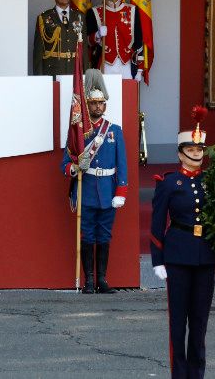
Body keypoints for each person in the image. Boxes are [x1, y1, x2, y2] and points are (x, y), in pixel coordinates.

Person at [150, 106, 215, 379]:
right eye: (191, 149)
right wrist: (158, 260)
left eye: (200, 149)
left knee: (200, 323)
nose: (197, 153)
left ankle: (196, 374)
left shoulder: (212, 181)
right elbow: (157, 222)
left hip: (205, 256)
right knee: (178, 323)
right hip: (177, 256)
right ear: (181, 153)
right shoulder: (168, 183)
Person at [61, 69, 127, 294]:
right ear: (87, 105)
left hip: (108, 191)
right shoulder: (78, 132)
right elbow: (64, 164)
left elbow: (123, 166)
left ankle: (103, 279)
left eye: (101, 103)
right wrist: (75, 167)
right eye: (93, 103)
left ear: (105, 106)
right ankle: (89, 280)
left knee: (105, 234)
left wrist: (121, 192)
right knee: (87, 234)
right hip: (87, 189)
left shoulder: (114, 131)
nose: (98, 107)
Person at [86, 0, 144, 81]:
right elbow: (88, 42)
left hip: (127, 63)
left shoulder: (132, 10)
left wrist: (139, 69)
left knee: (127, 96)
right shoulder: (94, 12)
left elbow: (139, 40)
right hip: (104, 63)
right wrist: (97, 35)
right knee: (105, 96)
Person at [33, 0, 88, 77]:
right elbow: (38, 51)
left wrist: (86, 74)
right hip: (52, 71)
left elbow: (84, 49)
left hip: (74, 71)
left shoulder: (79, 16)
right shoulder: (44, 18)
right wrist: (39, 79)